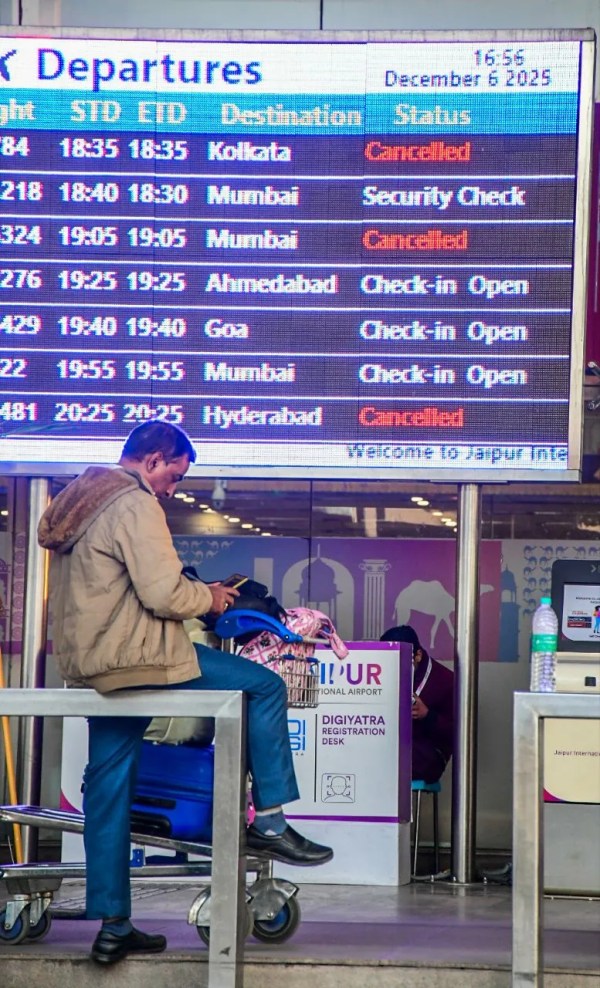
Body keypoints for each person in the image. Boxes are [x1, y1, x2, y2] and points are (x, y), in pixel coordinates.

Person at [37, 421, 332, 966]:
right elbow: (164, 592)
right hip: (142, 657)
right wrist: (214, 597)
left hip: (97, 665)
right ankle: (269, 822)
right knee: (264, 685)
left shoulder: (79, 501)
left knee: (106, 789)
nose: (173, 489)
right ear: (153, 458)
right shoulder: (134, 503)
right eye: (174, 475)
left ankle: (114, 925)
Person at [380, 624, 454, 783]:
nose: (394, 667)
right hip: (386, 744)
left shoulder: (446, 680)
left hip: (428, 754)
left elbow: (456, 735)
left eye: (400, 661)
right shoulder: (378, 673)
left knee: (376, 762)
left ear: (418, 655)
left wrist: (427, 715)